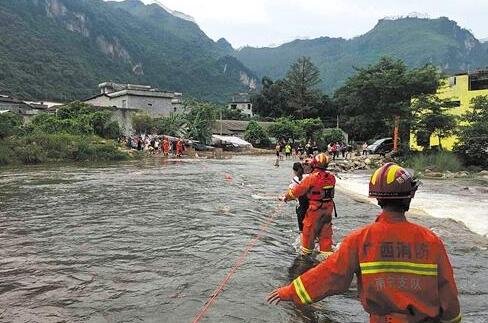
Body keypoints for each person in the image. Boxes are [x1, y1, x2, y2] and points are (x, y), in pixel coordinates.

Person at [268, 163, 461, 323]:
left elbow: (331, 275)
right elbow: (447, 291)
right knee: (326, 243)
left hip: (382, 320)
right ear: (410, 196)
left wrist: (290, 291)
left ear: (377, 198)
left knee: (308, 245)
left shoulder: (360, 239)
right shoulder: (432, 240)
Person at [279, 153, 336, 260]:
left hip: (315, 209)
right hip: (328, 209)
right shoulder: (331, 178)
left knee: (308, 232)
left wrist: (285, 197)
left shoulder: (311, 178)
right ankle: (327, 255)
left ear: (314, 164)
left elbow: (296, 192)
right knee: (326, 232)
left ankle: (306, 258)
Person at [290, 162, 310, 232]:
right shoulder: (309, 176)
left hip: (301, 206)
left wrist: (284, 198)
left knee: (302, 229)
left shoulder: (295, 179)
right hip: (312, 205)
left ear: (294, 171)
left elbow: (292, 194)